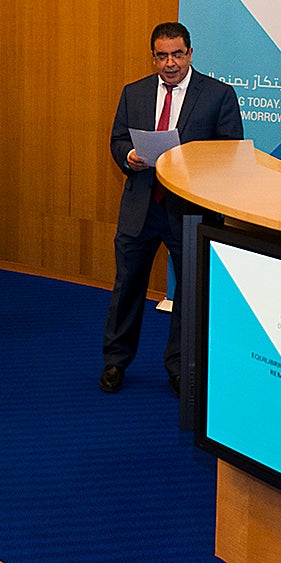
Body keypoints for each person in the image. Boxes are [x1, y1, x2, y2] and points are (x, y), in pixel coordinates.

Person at [99, 22, 243, 394]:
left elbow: (231, 153)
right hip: (141, 208)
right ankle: (115, 362)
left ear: (190, 53)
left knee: (190, 292)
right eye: (162, 56)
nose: (170, 63)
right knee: (127, 287)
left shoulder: (218, 95)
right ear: (153, 58)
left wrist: (189, 163)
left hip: (190, 209)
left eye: (177, 54)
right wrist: (128, 155)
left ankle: (180, 367)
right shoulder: (134, 93)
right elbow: (117, 139)